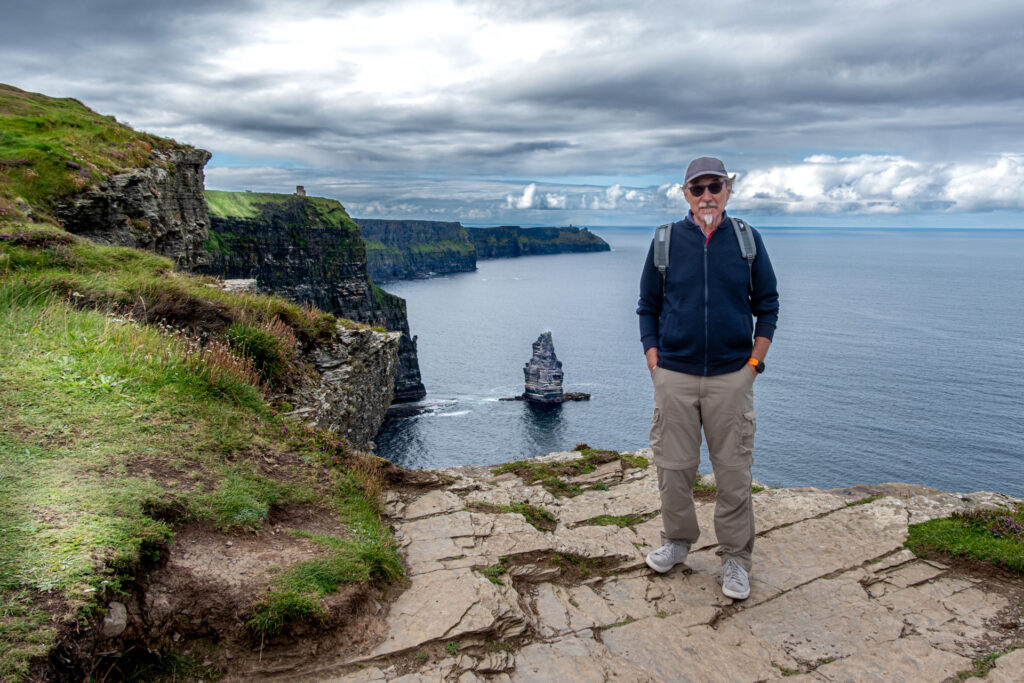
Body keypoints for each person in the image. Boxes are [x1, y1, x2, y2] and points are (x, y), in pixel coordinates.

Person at [636, 156, 779, 600]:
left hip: (730, 378)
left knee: (733, 472)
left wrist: (752, 367)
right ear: (685, 195)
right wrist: (655, 364)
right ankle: (678, 542)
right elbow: (647, 307)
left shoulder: (746, 240)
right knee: (674, 469)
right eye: (696, 189)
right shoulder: (665, 240)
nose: (706, 196)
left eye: (714, 186)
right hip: (674, 376)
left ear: (728, 190)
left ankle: (736, 558)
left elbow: (768, 304)